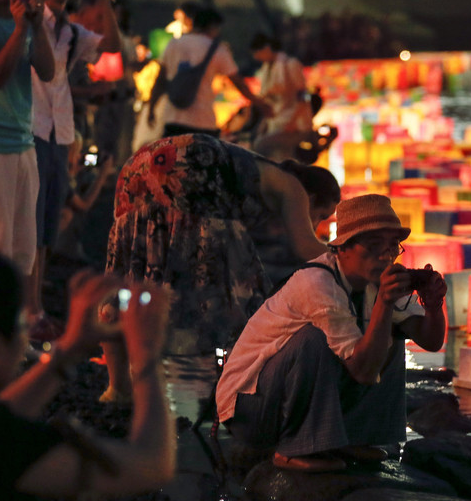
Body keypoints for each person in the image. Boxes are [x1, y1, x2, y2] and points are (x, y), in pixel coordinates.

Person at [216, 194, 447, 473]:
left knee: (390, 334)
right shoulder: (317, 284)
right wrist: (384, 305)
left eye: (391, 247)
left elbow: (431, 341)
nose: (385, 256)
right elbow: (362, 372)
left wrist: (433, 306)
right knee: (315, 338)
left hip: (280, 398)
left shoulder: (375, 281)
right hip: (249, 409)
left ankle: (359, 436)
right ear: (343, 249)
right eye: (374, 246)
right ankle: (290, 449)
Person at [102, 133, 340, 401]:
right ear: (313, 196)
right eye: (320, 215)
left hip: (141, 164)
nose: (316, 223)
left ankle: (117, 388)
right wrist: (351, 256)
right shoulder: (294, 187)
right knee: (235, 299)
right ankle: (222, 394)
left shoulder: (262, 174)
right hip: (194, 166)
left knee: (126, 275)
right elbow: (306, 248)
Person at [0, 252, 175, 501]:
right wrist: (146, 355)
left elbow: (6, 415)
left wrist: (72, 344)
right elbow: (151, 463)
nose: (26, 338)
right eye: (22, 324)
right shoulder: (5, 444)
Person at [27, 0, 121, 343]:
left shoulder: (67, 30)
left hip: (58, 131)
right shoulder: (31, 20)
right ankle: (28, 309)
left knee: (45, 225)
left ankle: (33, 308)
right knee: (30, 225)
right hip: (32, 127)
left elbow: (111, 45)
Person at [0, 0, 53, 316]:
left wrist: (36, 26)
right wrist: (19, 30)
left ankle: (12, 329)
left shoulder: (26, 20)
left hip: (22, 144)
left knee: (22, 249)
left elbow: (47, 71)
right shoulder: (9, 25)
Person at [151, 7, 270, 138]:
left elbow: (160, 79)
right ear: (213, 27)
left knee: (174, 157)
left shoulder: (173, 44)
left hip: (172, 119)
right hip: (202, 122)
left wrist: (152, 107)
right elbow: (238, 83)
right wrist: (260, 104)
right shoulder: (217, 49)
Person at [249, 32, 311, 137]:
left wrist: (292, 121)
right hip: (276, 120)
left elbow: (304, 94)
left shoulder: (290, 64)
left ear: (267, 48)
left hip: (295, 123)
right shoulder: (266, 68)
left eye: (258, 53)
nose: (257, 58)